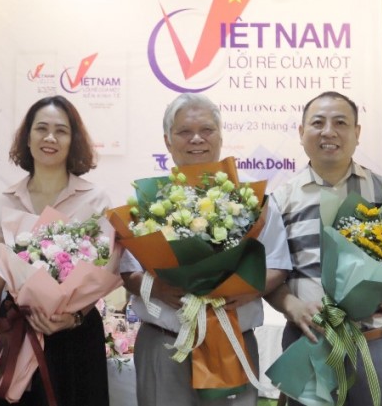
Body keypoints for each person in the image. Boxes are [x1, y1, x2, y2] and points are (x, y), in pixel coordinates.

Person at [120, 92, 293, 406]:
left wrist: (249, 288)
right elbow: (128, 271)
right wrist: (157, 287)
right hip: (165, 344)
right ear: (168, 140)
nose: (196, 139)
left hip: (233, 339)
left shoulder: (254, 198)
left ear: (221, 136)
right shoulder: (147, 199)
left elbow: (279, 264)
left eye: (207, 130)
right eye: (184, 131)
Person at [266, 91, 382, 405]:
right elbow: (268, 276)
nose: (328, 131)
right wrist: (290, 304)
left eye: (341, 122)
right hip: (308, 344)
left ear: (357, 133)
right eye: (317, 123)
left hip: (378, 348)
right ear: (301, 133)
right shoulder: (280, 200)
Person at [0, 95, 111, 406]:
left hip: (75, 336)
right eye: (41, 129)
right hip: (18, 329)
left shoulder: (95, 200)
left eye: (61, 131)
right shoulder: (4, 201)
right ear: (28, 136)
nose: (50, 138)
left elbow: (105, 272)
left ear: (73, 140)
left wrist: (74, 317)